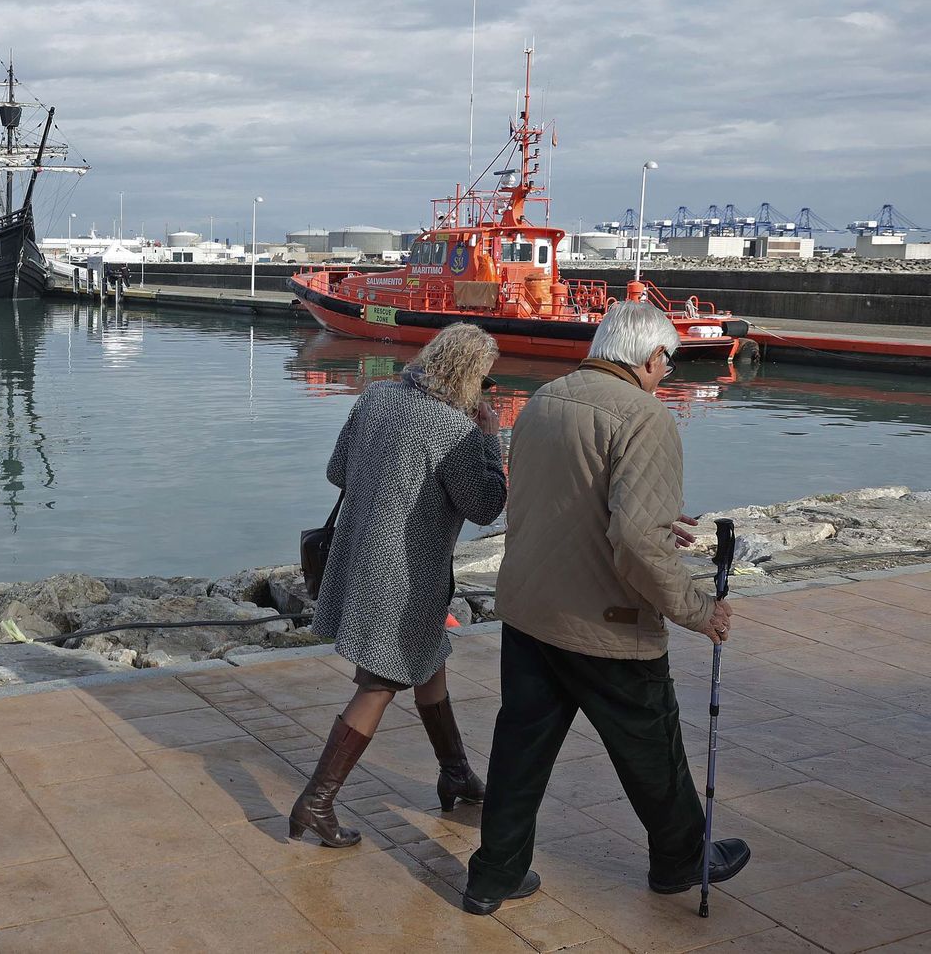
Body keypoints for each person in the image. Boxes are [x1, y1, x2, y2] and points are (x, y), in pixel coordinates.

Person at [462, 301, 751, 915]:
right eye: (665, 366)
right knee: (653, 749)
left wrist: (651, 523)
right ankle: (680, 860)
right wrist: (698, 609)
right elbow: (637, 541)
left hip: (532, 606)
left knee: (520, 749)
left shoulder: (546, 398)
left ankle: (493, 876)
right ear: (650, 358)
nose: (664, 377)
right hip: (605, 621)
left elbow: (567, 501)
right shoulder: (645, 417)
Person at [290, 323, 507, 847]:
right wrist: (489, 437)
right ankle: (316, 802)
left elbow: (337, 470)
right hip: (406, 576)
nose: (487, 390)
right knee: (381, 682)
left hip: (358, 555)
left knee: (428, 663)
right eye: (485, 379)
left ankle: (454, 772)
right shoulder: (452, 429)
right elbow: (485, 506)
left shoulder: (378, 396)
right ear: (468, 377)